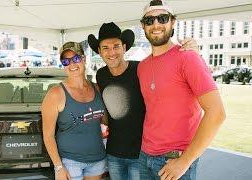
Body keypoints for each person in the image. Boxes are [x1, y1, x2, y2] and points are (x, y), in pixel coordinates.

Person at [87, 22, 199, 180]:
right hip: (113, 152)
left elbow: (168, 77)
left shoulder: (140, 69)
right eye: (105, 47)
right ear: (99, 51)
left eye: (116, 46)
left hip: (140, 154)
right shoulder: (101, 75)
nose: (111, 52)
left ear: (124, 48)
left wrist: (194, 53)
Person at [137, 0, 226, 180]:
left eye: (162, 18)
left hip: (174, 161)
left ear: (173, 22)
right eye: (149, 20)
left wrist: (185, 161)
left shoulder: (188, 58)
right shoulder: (142, 67)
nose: (156, 25)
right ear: (143, 26)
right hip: (145, 157)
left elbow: (217, 113)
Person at [42, 42, 107, 180]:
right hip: (70, 162)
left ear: (84, 59)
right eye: (66, 61)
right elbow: (48, 136)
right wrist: (58, 166)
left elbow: (104, 122)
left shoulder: (97, 89)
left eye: (76, 59)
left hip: (97, 160)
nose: (72, 64)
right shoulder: (55, 94)